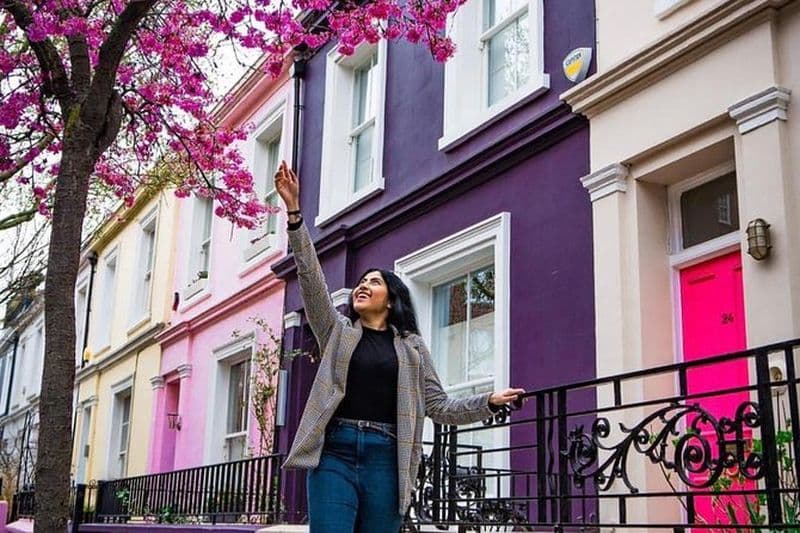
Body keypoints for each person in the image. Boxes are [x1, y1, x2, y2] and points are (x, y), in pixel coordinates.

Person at [275, 161, 525, 532]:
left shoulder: (412, 348)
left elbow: (439, 406)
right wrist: (295, 214)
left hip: (387, 458)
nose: (363, 285)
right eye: (361, 282)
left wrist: (486, 403)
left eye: (373, 282)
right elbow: (311, 280)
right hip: (335, 453)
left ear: (391, 299)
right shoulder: (337, 332)